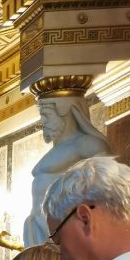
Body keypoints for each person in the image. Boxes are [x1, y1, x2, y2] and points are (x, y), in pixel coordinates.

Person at [23, 95, 110, 247]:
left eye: (46, 114)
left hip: (61, 226)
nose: (42, 121)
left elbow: (106, 188)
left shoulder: (87, 144)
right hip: (38, 225)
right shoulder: (56, 150)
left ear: (65, 111)